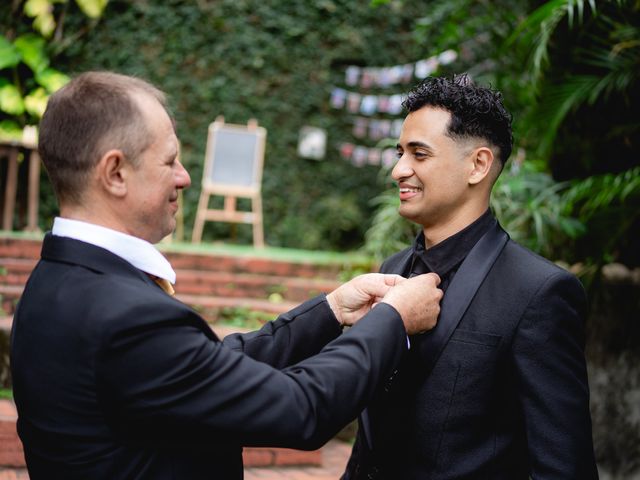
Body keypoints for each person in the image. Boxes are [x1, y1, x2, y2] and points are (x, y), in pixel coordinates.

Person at [9, 71, 444, 480]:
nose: (185, 177)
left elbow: (210, 369)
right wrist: (394, 319)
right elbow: (300, 408)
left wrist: (331, 311)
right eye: (170, 161)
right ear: (115, 173)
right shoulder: (125, 315)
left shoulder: (56, 281)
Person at [342, 75, 598, 479]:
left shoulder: (539, 292)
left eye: (419, 154)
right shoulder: (391, 270)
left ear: (478, 165)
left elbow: (563, 466)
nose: (398, 170)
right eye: (399, 152)